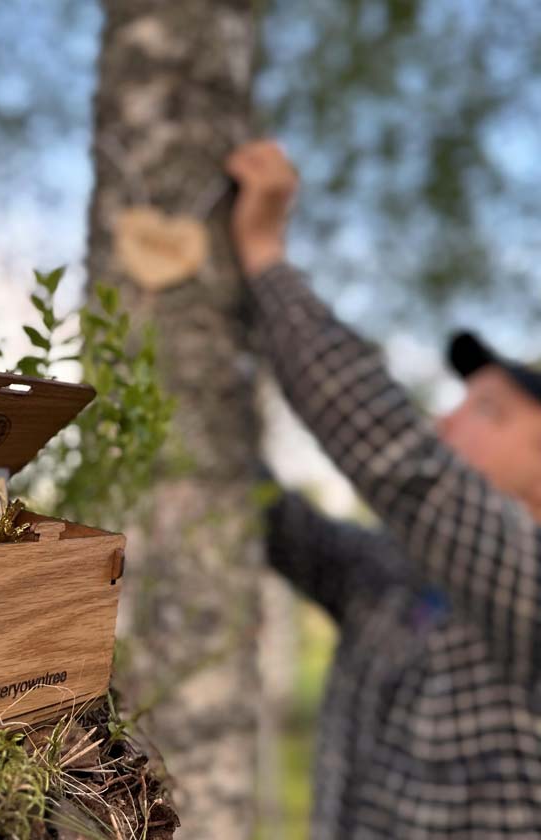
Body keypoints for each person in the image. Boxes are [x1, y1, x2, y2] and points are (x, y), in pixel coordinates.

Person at [227, 140, 541, 838]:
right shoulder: (393, 579)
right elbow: (277, 521)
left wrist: (263, 253)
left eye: (487, 410)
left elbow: (393, 452)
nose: (446, 420)